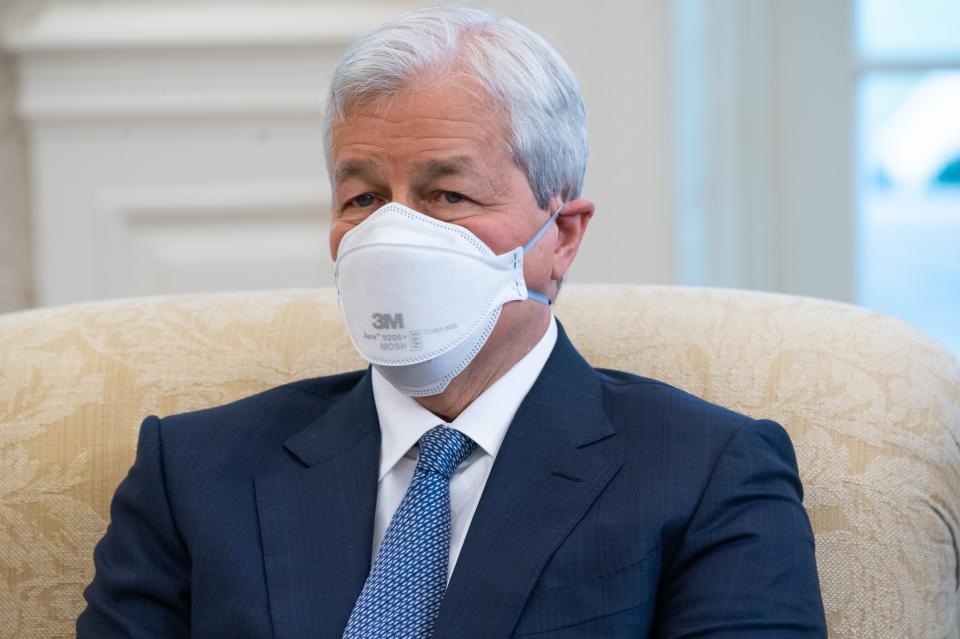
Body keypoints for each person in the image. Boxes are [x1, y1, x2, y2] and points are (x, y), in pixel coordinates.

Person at [77, 6, 826, 638]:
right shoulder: (194, 471)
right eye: (364, 199)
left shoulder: (708, 471)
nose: (392, 234)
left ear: (560, 236)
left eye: (446, 195)